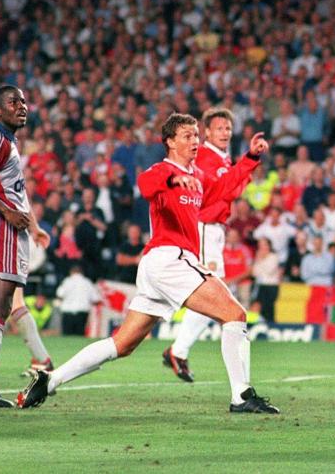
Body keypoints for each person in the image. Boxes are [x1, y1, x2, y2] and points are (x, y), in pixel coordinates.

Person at [18, 113, 279, 413]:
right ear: (169, 142)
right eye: (187, 136)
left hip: (159, 265)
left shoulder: (198, 176)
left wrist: (250, 158)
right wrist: (172, 178)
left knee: (122, 344)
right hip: (171, 258)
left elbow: (224, 188)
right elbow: (144, 183)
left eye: (196, 135)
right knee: (234, 314)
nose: (194, 141)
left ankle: (49, 380)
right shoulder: (164, 170)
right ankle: (241, 395)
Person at [163, 108, 263, 384]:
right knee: (212, 294)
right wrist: (248, 166)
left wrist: (242, 174)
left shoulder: (221, 158)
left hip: (215, 229)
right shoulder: (206, 157)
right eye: (219, 128)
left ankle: (177, 350)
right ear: (207, 132)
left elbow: (232, 191)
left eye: (228, 129)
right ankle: (177, 350)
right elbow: (221, 191)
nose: (224, 133)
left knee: (211, 296)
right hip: (205, 228)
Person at [0, 89, 53, 407]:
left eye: (23, 101)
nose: (21, 107)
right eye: (12, 103)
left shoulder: (7, 142)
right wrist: (6, 212)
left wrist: (31, 224)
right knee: (1, 304)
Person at [56, 266, 102, 336]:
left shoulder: (67, 281)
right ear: (81, 273)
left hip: (67, 313)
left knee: (66, 337)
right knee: (79, 336)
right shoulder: (87, 282)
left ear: (71, 272)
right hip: (82, 313)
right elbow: (96, 299)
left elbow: (59, 294)